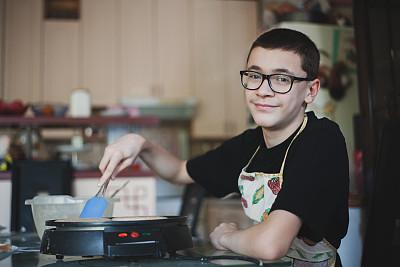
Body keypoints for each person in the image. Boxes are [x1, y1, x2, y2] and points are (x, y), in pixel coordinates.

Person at [98, 28, 349, 267]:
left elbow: (270, 245)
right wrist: (140, 144)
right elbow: (178, 171)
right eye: (255, 76)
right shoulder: (250, 145)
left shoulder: (321, 140)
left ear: (311, 90)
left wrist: (227, 236)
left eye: (281, 79)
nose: (263, 90)